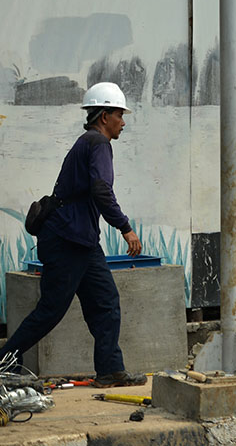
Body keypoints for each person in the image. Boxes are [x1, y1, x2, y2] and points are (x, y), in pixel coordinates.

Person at [0, 82, 147, 388]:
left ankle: (109, 369)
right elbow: (101, 190)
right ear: (104, 115)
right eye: (119, 114)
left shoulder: (89, 142)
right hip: (67, 239)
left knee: (106, 302)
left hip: (81, 241)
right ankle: (4, 359)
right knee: (51, 310)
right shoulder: (98, 144)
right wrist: (125, 227)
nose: (123, 121)